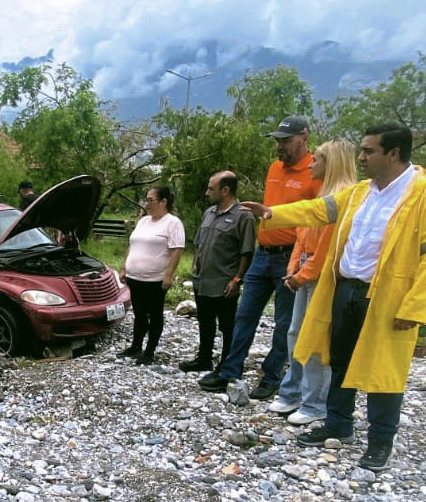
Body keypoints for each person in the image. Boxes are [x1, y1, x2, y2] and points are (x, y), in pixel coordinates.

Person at [244, 124, 426, 471]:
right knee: (339, 358)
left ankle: (380, 441)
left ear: (394, 154)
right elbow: (318, 210)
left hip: (386, 297)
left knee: (384, 371)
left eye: (369, 151)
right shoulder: (360, 192)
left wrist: (415, 308)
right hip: (346, 288)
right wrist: (272, 214)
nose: (361, 157)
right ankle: (339, 424)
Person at [198, 115, 321, 399]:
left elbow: (316, 218)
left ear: (304, 139)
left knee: (284, 322)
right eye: (277, 141)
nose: (280, 146)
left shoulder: (314, 172)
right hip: (262, 254)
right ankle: (230, 369)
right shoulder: (274, 169)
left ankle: (272, 374)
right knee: (245, 314)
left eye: (286, 141)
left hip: (290, 256)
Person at [266, 140, 357, 424]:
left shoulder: (343, 197)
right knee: (295, 333)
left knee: (317, 338)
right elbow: (302, 236)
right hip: (305, 267)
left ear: (332, 163)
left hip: (323, 274)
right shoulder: (321, 193)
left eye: (317, 159)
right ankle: (292, 391)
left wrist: (303, 274)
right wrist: (294, 268)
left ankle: (315, 402)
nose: (312, 164)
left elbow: (329, 248)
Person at [180, 171, 256, 374]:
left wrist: (237, 279)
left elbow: (246, 252)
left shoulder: (243, 216)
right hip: (203, 281)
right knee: (205, 322)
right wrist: (195, 263)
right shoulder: (209, 213)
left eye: (211, 188)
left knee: (228, 326)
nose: (207, 193)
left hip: (224, 283)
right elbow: (198, 242)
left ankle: (227, 364)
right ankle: (204, 359)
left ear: (225, 190)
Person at [117, 185, 185, 365]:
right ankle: (136, 346)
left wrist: (168, 275)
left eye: (150, 200)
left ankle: (150, 350)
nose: (146, 204)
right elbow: (132, 245)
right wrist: (124, 267)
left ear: (163, 202)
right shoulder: (143, 221)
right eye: (146, 200)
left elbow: (177, 249)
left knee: (154, 314)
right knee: (139, 313)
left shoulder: (172, 223)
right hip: (135, 277)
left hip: (155, 279)